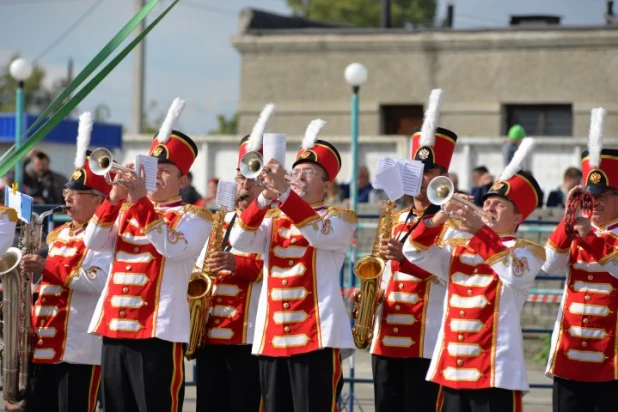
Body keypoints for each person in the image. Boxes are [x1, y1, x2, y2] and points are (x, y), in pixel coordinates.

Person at [403, 139, 545, 411]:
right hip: (452, 367)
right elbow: (413, 252)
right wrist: (440, 217)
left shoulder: (527, 253)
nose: (489, 208)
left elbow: (513, 274)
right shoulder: (458, 244)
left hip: (495, 372)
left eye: (499, 205)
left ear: (518, 218)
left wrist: (480, 232)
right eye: (488, 201)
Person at [84, 123, 213, 412]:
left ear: (183, 181)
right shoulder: (125, 209)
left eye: (165, 170)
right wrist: (114, 198)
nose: (156, 174)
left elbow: (172, 247)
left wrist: (141, 201)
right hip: (115, 326)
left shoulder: (195, 217)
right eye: (153, 166)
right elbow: (92, 241)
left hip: (158, 331)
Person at [229, 123, 356, 412]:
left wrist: (285, 195)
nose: (299, 177)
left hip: (317, 336)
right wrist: (263, 198)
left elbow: (318, 233)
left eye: (309, 172)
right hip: (273, 335)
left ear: (326, 185)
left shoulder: (341, 218)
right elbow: (240, 239)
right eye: (295, 171)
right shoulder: (273, 216)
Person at [368, 125, 458, 412]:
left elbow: (448, 275)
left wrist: (405, 262)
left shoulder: (454, 223)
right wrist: (371, 295)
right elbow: (380, 270)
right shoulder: (394, 218)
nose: (421, 178)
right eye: (417, 170)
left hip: (426, 340)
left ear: (444, 177)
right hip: (385, 338)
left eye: (430, 171)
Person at [22, 141, 114, 412]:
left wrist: (48, 267)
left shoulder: (105, 238)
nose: (67, 198)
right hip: (42, 348)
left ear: (98, 200)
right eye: (66, 191)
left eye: (77, 193)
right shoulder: (57, 235)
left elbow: (98, 280)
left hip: (78, 352)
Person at [543, 138, 618, 409]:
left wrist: (589, 236)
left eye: (602, 196)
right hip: (570, 354)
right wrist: (567, 222)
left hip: (612, 359)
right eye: (590, 196)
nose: (594, 203)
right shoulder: (576, 228)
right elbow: (549, 265)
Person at [194, 135, 264, 412]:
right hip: (211, 332)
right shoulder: (221, 220)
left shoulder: (276, 218)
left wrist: (238, 265)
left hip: (248, 334)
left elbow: (284, 270)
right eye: (240, 178)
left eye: (251, 179)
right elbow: (199, 266)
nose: (244, 185)